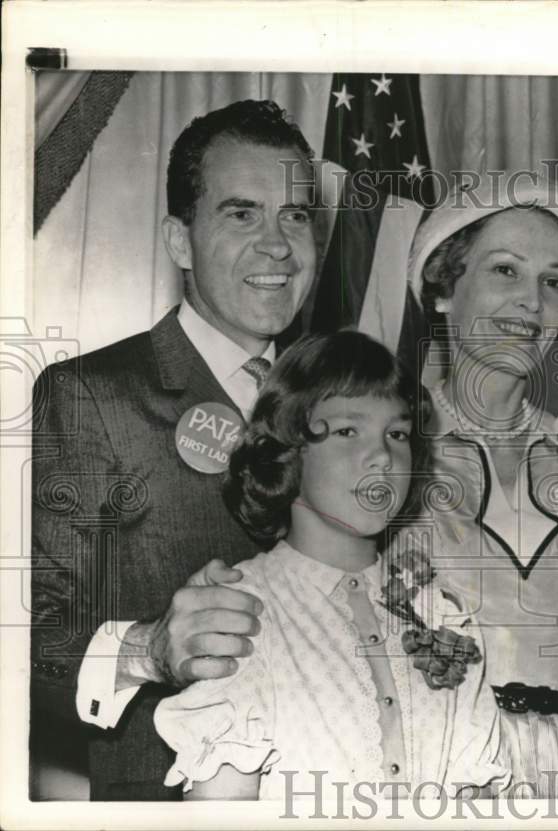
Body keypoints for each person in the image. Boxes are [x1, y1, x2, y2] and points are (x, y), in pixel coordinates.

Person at [31, 99, 319, 800]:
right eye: (241, 213)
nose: (278, 245)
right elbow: (29, 637)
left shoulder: (342, 401)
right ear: (180, 240)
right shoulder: (91, 395)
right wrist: (149, 648)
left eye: (296, 216)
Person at [153, 331, 507, 799]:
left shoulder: (442, 612)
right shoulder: (244, 614)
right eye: (347, 431)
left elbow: (476, 804)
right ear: (285, 452)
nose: (382, 455)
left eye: (397, 434)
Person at [406, 177, 558, 797]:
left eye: (553, 282)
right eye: (505, 271)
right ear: (442, 289)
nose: (531, 304)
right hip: (434, 772)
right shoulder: (387, 452)